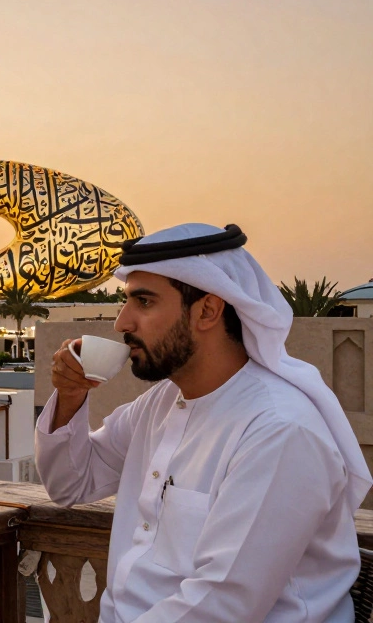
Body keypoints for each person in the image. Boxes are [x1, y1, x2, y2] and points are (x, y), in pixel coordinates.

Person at [36, 223, 371, 622]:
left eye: (143, 302)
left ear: (208, 311)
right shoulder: (160, 403)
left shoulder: (278, 430)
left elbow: (223, 604)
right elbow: (70, 484)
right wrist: (71, 398)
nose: (122, 323)